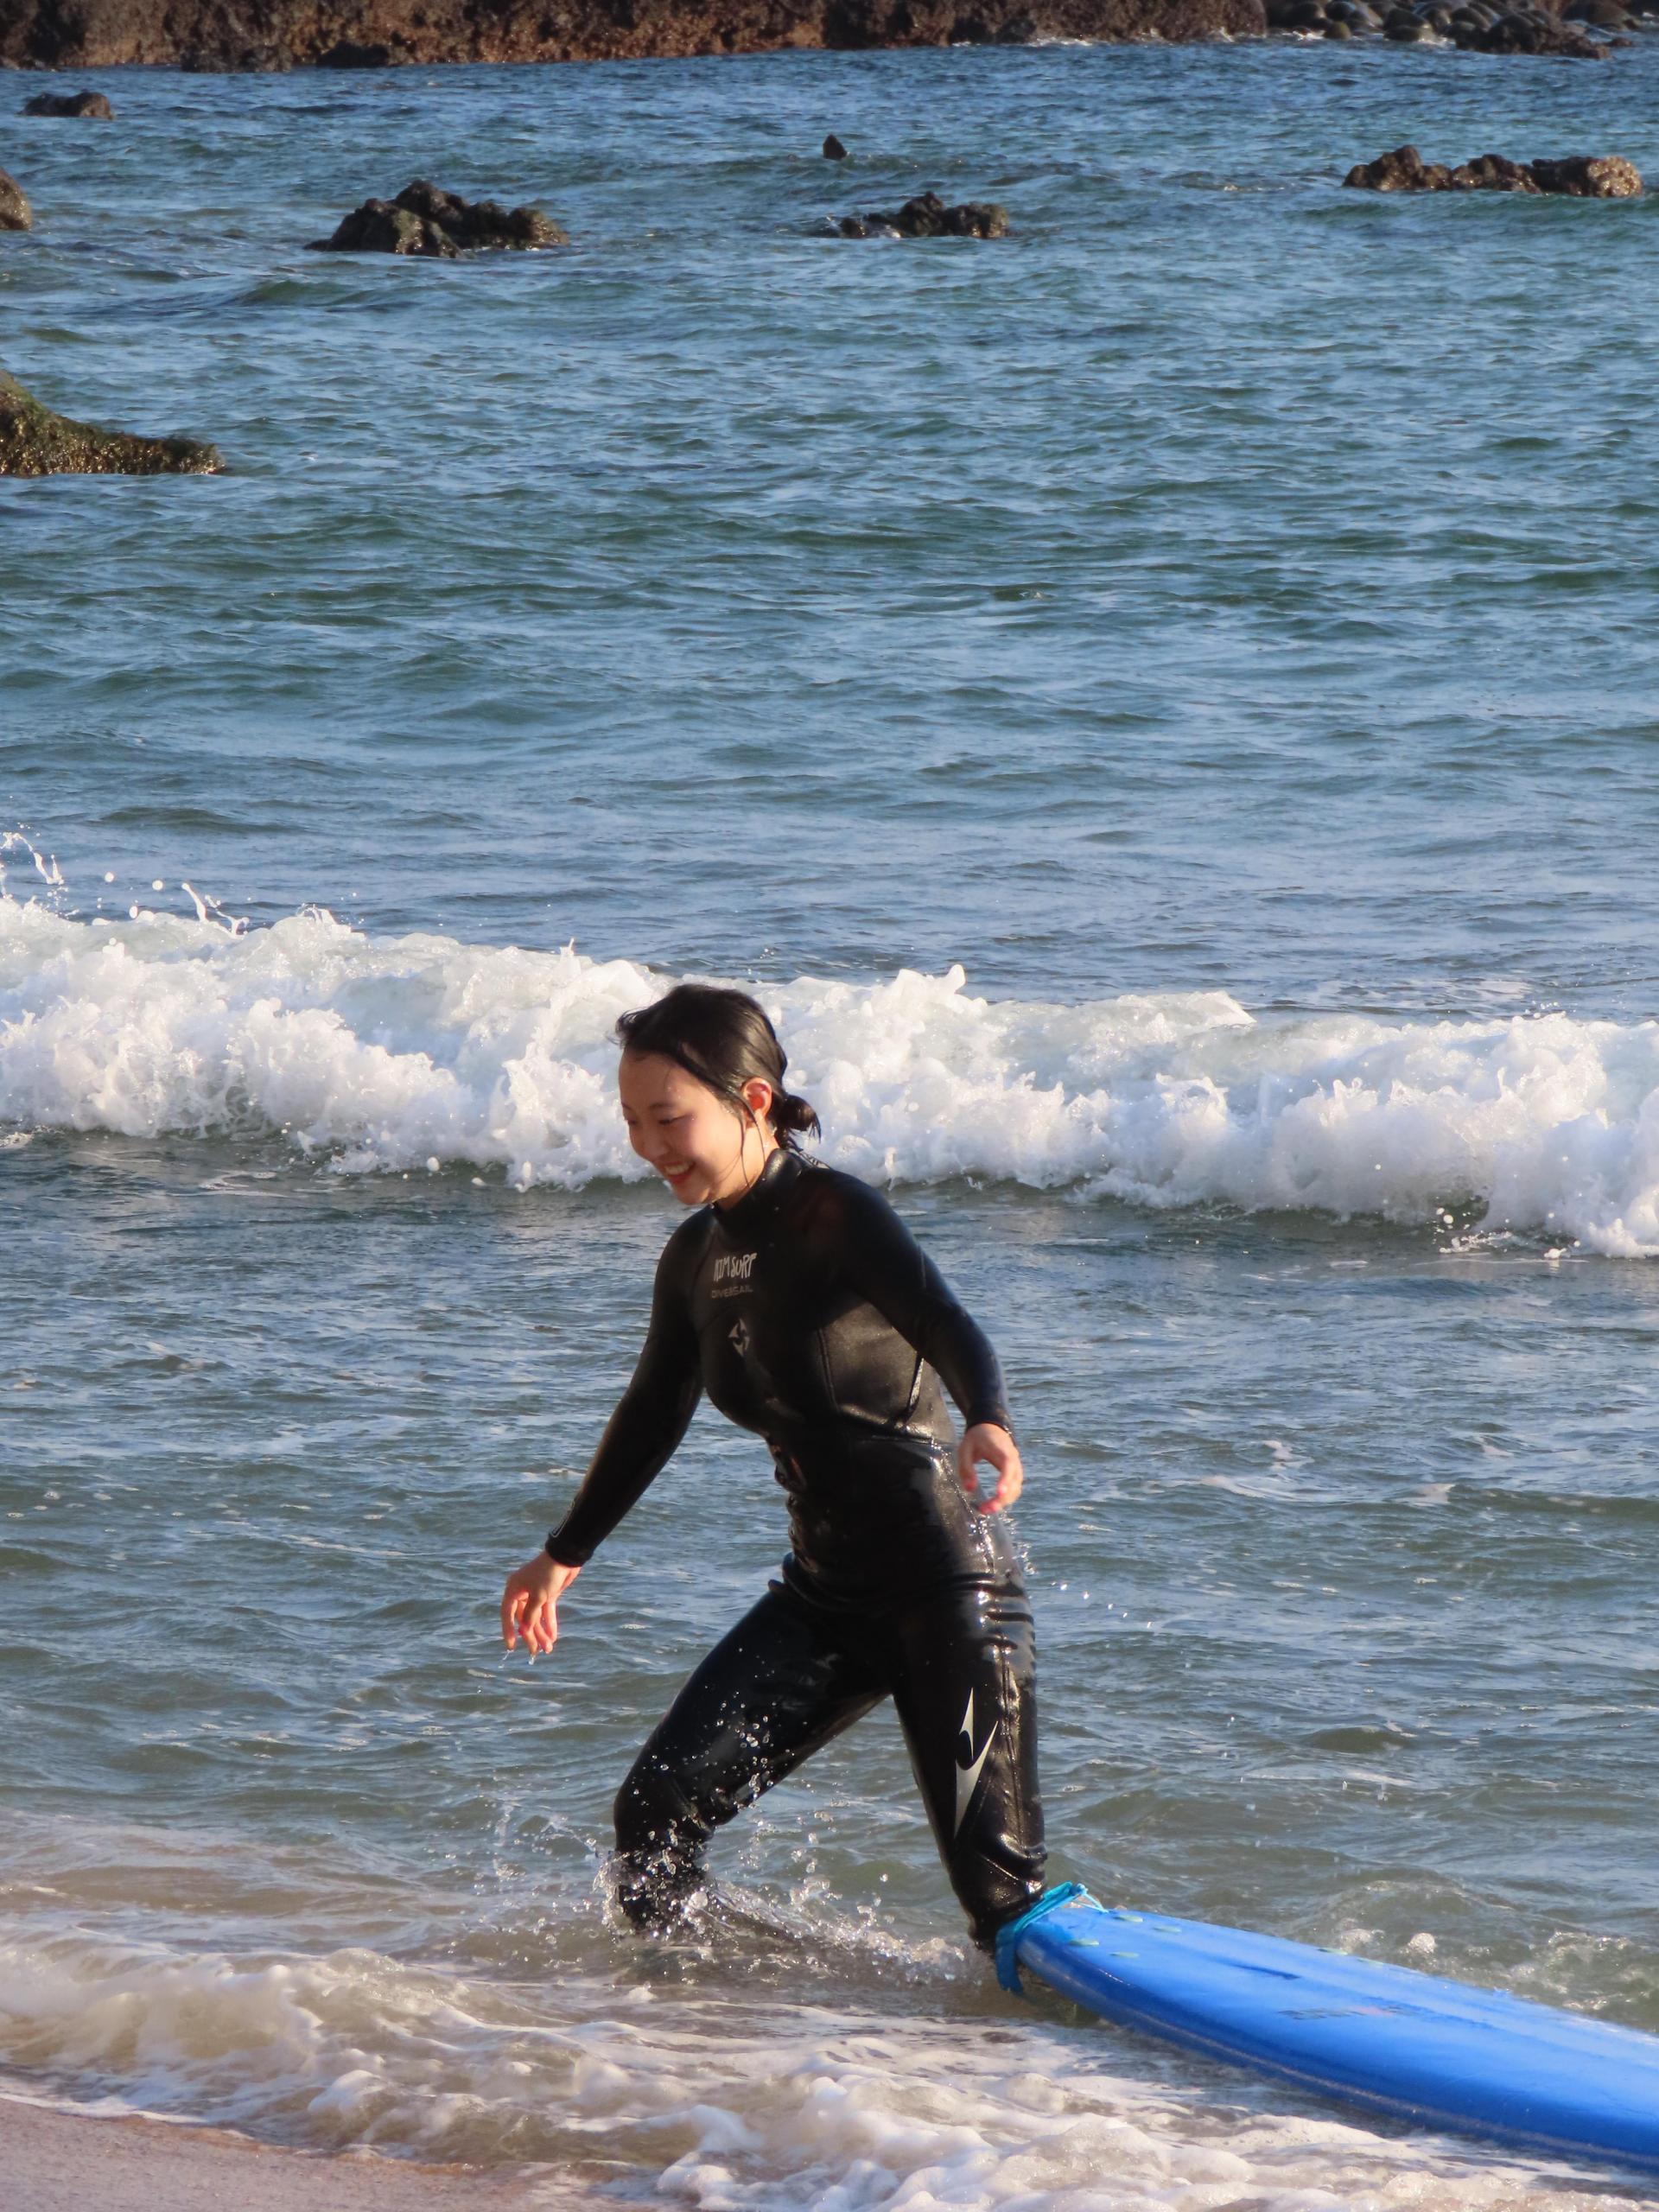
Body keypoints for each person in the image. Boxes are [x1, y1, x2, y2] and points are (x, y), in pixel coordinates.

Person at [499, 983, 1046, 1952]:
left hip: (946, 1590)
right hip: (823, 1602)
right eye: (631, 1122)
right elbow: (652, 1412)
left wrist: (989, 1421)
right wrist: (563, 1553)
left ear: (752, 1101)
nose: (649, 1145)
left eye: (669, 1118)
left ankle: (1060, 2028)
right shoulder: (693, 1260)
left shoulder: (836, 1214)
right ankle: (716, 2023)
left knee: (1001, 1900)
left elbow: (945, 1321)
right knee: (654, 1817)